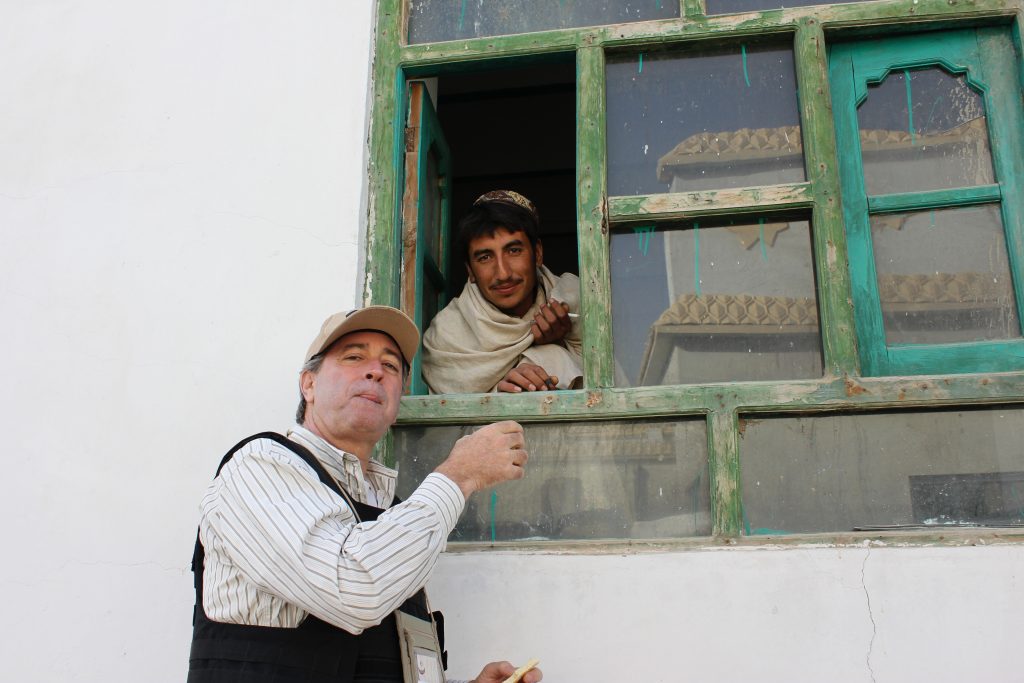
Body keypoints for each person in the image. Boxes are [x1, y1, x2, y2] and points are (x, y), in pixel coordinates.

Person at [188, 306, 542, 683]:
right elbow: (355, 588)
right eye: (354, 357)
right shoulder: (259, 467)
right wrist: (458, 475)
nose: (375, 371)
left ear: (397, 401)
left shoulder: (393, 513)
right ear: (308, 384)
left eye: (390, 365)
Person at [422, 190, 583, 394]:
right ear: (470, 271)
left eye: (514, 251)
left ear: (537, 253)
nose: (503, 273)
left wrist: (560, 342)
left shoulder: (577, 299)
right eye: (485, 257)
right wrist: (501, 394)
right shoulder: (446, 338)